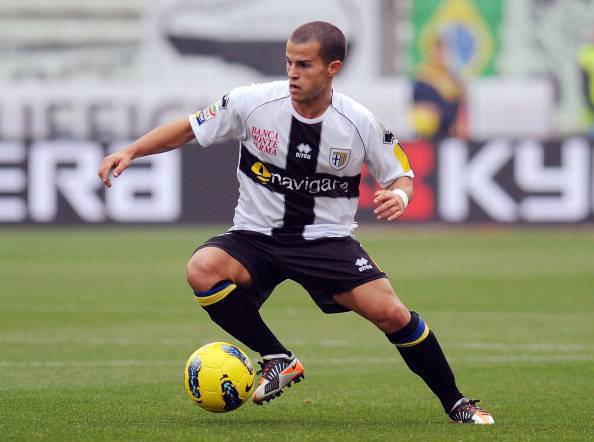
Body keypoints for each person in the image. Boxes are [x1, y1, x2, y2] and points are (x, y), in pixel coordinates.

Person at [98, 21, 493, 425]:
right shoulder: (252, 103)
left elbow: (401, 174)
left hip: (325, 241)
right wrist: (132, 151)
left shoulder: (359, 123)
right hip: (255, 237)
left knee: (392, 313)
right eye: (289, 62)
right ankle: (277, 357)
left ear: (333, 68)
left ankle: (457, 403)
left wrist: (401, 195)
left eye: (304, 65)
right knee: (202, 268)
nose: (292, 73)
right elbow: (187, 128)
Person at [411, 35, 467, 140]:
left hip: (451, 133)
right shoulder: (423, 78)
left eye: (443, 52)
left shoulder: (453, 79)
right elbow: (418, 105)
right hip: (428, 133)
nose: (440, 56)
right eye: (437, 52)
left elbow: (461, 104)